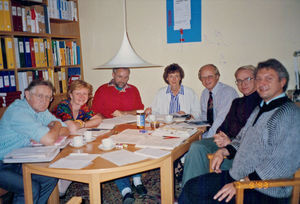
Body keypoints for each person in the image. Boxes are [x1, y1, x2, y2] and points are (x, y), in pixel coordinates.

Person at [179, 59, 300, 204]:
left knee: (200, 197)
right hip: (239, 176)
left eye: (268, 79)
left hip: (264, 189)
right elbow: (242, 138)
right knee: (191, 187)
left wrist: (241, 183)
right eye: (259, 79)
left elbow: (279, 165)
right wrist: (224, 151)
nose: (262, 83)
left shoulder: (289, 114)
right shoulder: (262, 108)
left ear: (282, 82)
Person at [181, 65, 261, 186]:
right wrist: (220, 135)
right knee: (196, 146)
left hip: (240, 148)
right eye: (239, 81)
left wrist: (230, 142)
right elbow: (222, 124)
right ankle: (189, 190)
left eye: (247, 79)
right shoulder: (237, 102)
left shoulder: (262, 102)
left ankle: (196, 189)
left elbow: (255, 134)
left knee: (198, 154)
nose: (243, 84)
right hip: (225, 140)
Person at [0, 80, 70, 204]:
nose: (44, 101)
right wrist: (55, 126)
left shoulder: (40, 110)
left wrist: (54, 127)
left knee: (50, 178)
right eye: (40, 96)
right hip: (2, 163)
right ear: (27, 94)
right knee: (31, 188)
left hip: (17, 160)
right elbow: (49, 139)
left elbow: (66, 130)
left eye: (48, 97)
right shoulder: (19, 111)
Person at [92, 68, 146, 203]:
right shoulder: (102, 90)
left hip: (130, 128)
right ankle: (126, 190)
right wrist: (108, 121)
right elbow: (95, 113)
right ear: (113, 75)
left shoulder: (133, 89)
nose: (123, 80)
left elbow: (139, 110)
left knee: (137, 145)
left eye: (126, 77)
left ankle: (137, 180)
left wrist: (124, 113)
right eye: (120, 77)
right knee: (116, 154)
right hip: (110, 130)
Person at [198, 64, 239, 138]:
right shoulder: (205, 93)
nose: (206, 80)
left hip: (226, 135)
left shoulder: (227, 92)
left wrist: (206, 138)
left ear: (217, 76)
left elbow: (220, 120)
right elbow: (204, 116)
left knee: (196, 146)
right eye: (203, 77)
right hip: (211, 132)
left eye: (210, 76)